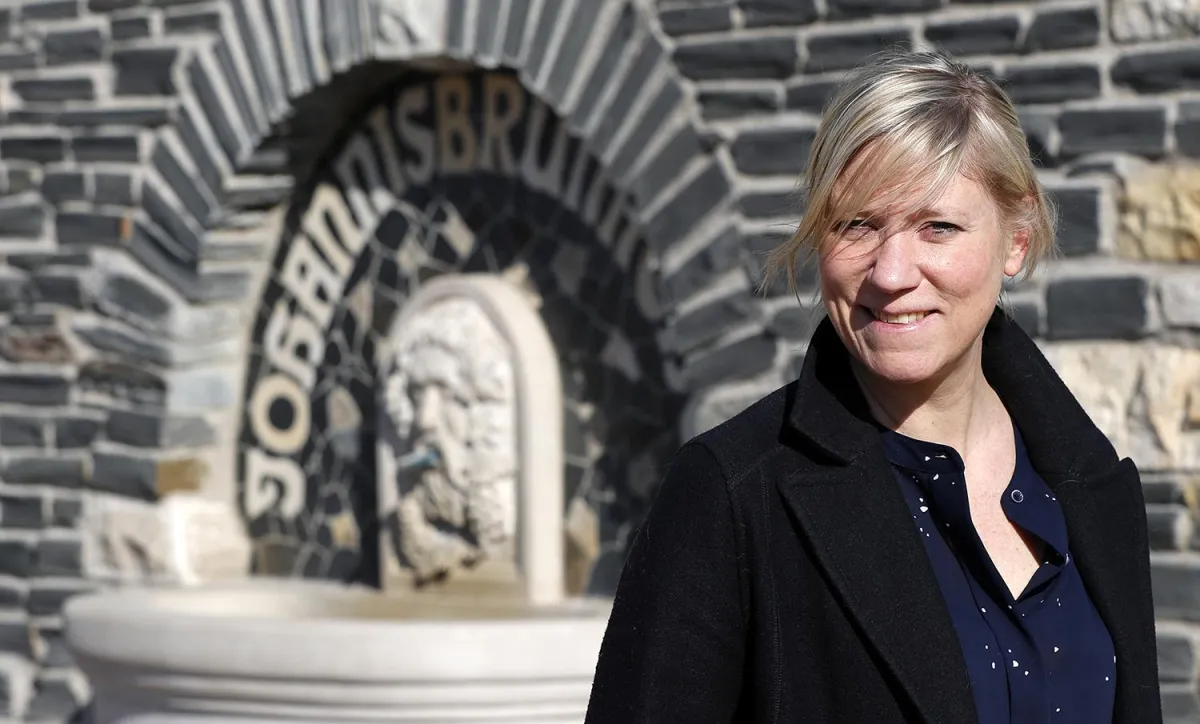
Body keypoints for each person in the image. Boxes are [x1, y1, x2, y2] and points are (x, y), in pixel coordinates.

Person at [584, 49, 1161, 724]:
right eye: (856, 224)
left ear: (1017, 238)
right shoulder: (731, 499)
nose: (891, 272)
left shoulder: (1095, 490)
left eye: (937, 227)